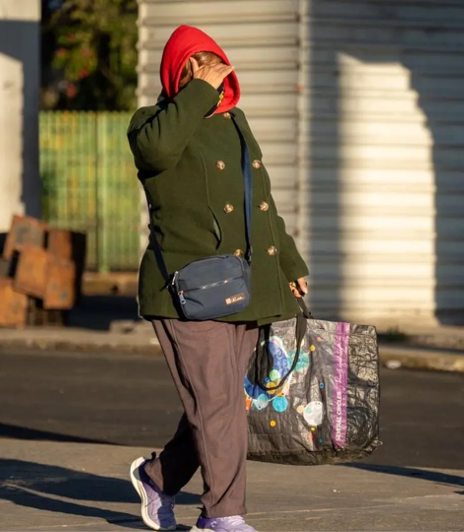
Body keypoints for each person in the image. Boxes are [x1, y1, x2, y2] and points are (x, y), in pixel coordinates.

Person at [126, 25, 309, 532]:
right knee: (219, 402)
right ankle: (223, 517)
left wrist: (289, 264)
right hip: (186, 289)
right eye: (195, 65)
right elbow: (159, 153)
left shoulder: (235, 123)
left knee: (224, 400)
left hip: (245, 284)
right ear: (177, 75)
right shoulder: (152, 124)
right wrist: (198, 92)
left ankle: (159, 479)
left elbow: (261, 201)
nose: (208, 71)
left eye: (213, 63)